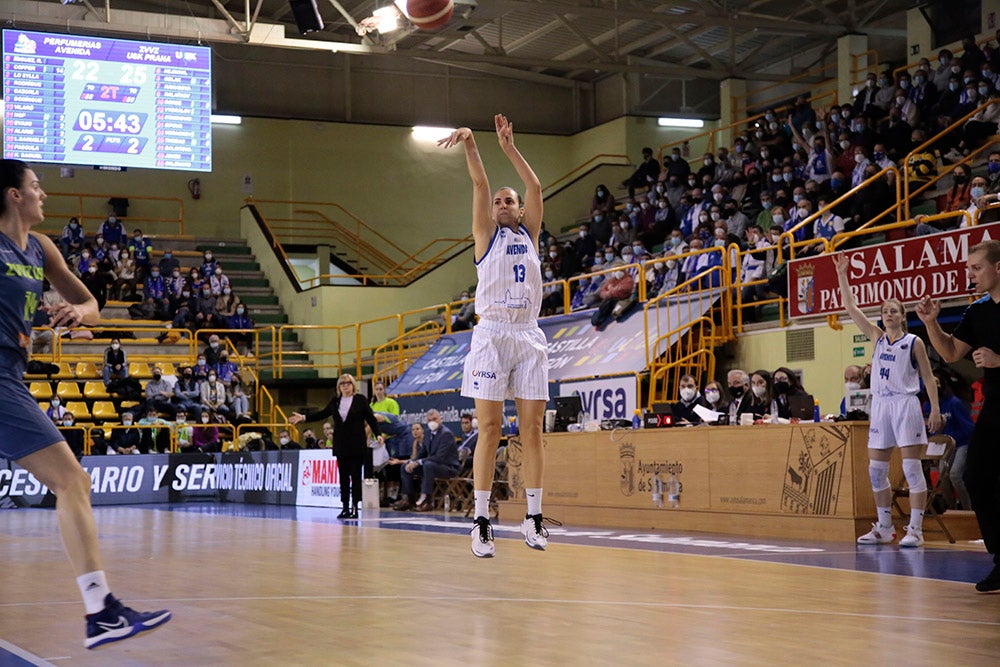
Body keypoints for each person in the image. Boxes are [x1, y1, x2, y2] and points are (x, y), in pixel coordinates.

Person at [0, 160, 170, 646]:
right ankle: (101, 610)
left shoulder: (40, 248)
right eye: (35, 186)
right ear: (13, 195)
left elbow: (92, 306)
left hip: (12, 373)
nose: (44, 194)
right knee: (72, 480)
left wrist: (78, 310)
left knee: (72, 482)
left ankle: (101, 611)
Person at [439, 116, 550, 558]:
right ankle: (481, 521)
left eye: (511, 200)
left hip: (528, 334)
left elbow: (537, 187)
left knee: (533, 430)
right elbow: (480, 184)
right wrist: (471, 143)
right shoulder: (485, 236)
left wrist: (509, 148)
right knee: (488, 428)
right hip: (492, 334)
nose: (503, 203)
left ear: (520, 210)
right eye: (500, 201)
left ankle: (534, 518)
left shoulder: (531, 233)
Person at [835, 252, 940, 549]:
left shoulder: (913, 342)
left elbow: (929, 378)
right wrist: (843, 274)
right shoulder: (877, 337)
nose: (888, 314)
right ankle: (884, 527)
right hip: (880, 406)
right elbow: (850, 307)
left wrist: (934, 408)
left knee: (911, 469)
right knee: (875, 470)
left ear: (902, 316)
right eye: (885, 311)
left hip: (906, 405)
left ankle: (916, 529)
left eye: (894, 311)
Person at [915, 240, 1000, 590]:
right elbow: (950, 352)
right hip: (997, 407)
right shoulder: (978, 311)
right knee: (978, 477)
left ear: (998, 268)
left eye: (976, 268)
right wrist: (931, 324)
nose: (971, 275)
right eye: (968, 269)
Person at [289, 373, 382, 519]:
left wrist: (378, 434)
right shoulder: (335, 401)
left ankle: (355, 507)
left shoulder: (360, 400)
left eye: (348, 383)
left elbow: (370, 418)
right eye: (342, 383)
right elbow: (322, 414)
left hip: (356, 443)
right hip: (341, 444)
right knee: (343, 477)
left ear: (353, 385)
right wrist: (304, 417)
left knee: (356, 476)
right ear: (339, 387)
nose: (345, 385)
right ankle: (345, 506)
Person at [393, 409, 460, 511]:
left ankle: (427, 500)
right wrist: (412, 462)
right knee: (405, 467)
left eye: (435, 419)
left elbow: (439, 457)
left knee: (428, 465)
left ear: (440, 419)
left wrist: (419, 462)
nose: (432, 422)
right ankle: (408, 499)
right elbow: (422, 453)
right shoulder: (428, 434)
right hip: (431, 466)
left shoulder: (446, 434)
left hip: (448, 467)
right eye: (429, 420)